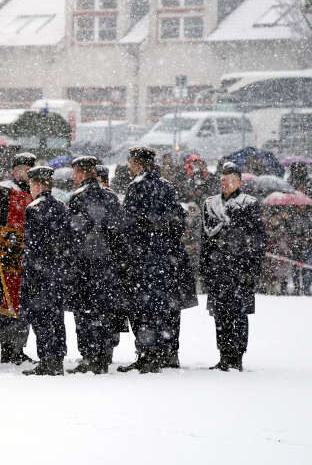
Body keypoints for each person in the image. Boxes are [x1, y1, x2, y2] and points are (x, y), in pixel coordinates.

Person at [118, 146, 187, 373]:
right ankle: (166, 352)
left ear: (138, 164)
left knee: (142, 307)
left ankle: (147, 354)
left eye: (131, 163)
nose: (129, 167)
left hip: (141, 258)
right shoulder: (167, 187)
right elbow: (178, 222)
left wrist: (131, 250)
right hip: (165, 258)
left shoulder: (136, 188)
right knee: (163, 306)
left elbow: (127, 225)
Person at [201, 162, 267, 371]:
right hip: (218, 266)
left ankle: (237, 355)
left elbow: (257, 238)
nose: (225, 184)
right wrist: (204, 267)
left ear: (239, 182)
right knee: (220, 314)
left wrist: (252, 268)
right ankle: (224, 354)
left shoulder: (249, 203)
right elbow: (205, 238)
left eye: (229, 180)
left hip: (239, 266)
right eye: (222, 180)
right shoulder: (210, 204)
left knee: (238, 313)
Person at [66, 156, 124, 374]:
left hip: (85, 264)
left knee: (85, 312)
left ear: (81, 173)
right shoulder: (110, 197)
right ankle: (104, 354)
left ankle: (90, 356)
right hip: (107, 263)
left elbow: (74, 231)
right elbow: (119, 231)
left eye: (75, 174)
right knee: (105, 310)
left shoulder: (78, 197)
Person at [18, 166, 70, 376]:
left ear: (38, 185)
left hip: (39, 273)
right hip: (56, 272)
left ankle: (47, 360)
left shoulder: (34, 208)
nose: (30, 189)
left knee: (41, 317)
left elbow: (32, 245)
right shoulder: (61, 207)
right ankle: (57, 357)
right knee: (56, 317)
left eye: (31, 185)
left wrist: (29, 272)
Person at [0, 152, 36, 364]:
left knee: (24, 302)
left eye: (29, 170)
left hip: (27, 253)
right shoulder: (6, 190)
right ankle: (7, 347)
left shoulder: (35, 191)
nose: (25, 173)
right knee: (9, 301)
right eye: (22, 169)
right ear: (14, 170)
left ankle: (19, 346)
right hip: (9, 250)